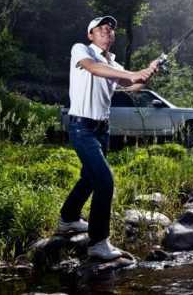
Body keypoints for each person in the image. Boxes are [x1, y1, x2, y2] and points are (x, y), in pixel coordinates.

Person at [57, 15, 159, 260]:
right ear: (91, 34)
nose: (107, 31)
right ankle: (98, 243)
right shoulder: (81, 51)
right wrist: (135, 73)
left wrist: (148, 73)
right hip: (82, 127)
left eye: (111, 29)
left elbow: (130, 85)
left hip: (103, 129)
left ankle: (68, 219)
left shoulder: (114, 63)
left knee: (89, 178)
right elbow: (94, 69)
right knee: (105, 180)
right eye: (101, 28)